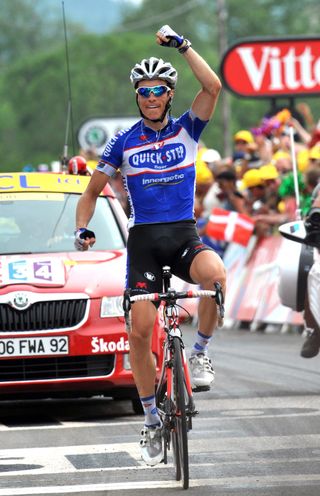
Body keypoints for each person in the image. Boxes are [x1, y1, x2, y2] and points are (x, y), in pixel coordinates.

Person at [74, 25, 226, 466]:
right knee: (139, 333)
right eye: (144, 91)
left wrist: (183, 45)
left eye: (159, 90)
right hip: (144, 243)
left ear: (170, 94)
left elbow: (213, 85)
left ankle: (199, 355)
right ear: (136, 97)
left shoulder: (187, 130)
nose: (151, 97)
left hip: (182, 235)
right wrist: (83, 230)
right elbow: (90, 193)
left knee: (215, 278)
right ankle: (151, 418)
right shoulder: (122, 143)